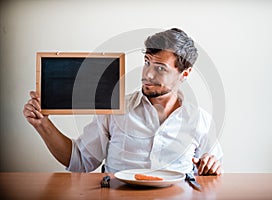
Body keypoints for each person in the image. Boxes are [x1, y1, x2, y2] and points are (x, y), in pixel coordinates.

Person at [23, 28, 223, 175]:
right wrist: (42, 124)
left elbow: (210, 170)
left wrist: (211, 166)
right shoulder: (114, 110)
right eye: (147, 63)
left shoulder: (200, 121)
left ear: (184, 74)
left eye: (160, 68)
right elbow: (80, 161)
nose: (148, 74)